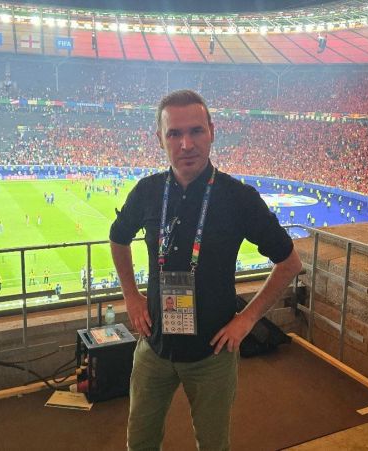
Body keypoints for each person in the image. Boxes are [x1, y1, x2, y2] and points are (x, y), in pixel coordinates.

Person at [109, 90, 302, 451]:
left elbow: (290, 263)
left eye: (196, 131)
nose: (186, 144)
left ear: (212, 131)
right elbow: (118, 238)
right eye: (174, 134)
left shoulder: (238, 198)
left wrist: (247, 320)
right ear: (160, 139)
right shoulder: (148, 191)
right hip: (154, 347)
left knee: (213, 445)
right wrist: (131, 297)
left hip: (213, 354)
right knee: (140, 442)